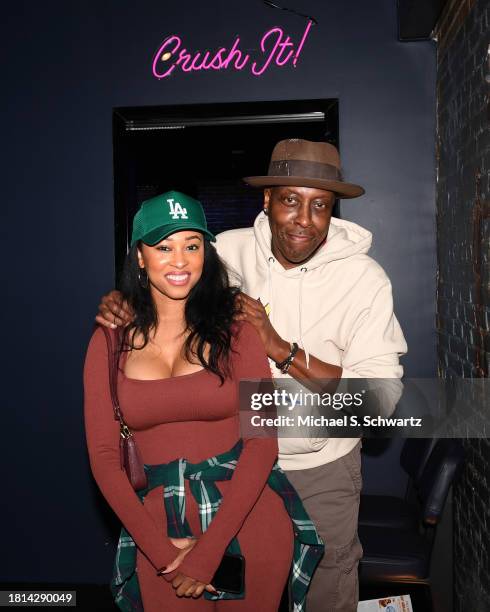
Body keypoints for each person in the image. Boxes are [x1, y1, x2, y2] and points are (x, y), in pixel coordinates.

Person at [97, 141, 407, 612]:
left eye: (319, 205)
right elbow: (168, 278)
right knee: (222, 592)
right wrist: (122, 303)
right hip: (227, 472)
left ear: (332, 211)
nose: (304, 218)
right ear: (267, 200)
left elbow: (380, 404)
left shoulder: (365, 280)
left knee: (325, 594)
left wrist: (281, 349)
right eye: (289, 200)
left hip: (316, 468)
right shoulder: (226, 253)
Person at [84, 190, 323, 612]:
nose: (179, 260)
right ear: (140, 257)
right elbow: (104, 459)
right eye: (163, 247)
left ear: (205, 254)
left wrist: (209, 551)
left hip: (248, 518)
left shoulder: (238, 330)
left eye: (191, 246)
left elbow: (263, 441)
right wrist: (162, 554)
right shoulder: (108, 340)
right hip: (158, 527)